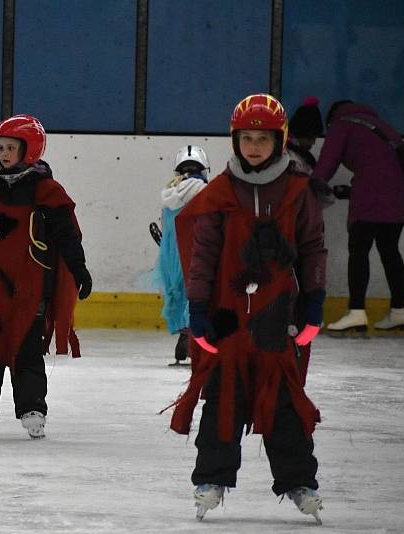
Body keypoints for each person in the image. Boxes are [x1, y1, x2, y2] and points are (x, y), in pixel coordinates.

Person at [167, 94, 327, 523]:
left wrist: (313, 302)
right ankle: (211, 479)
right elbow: (203, 254)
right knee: (223, 399)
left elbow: (312, 248)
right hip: (228, 318)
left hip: (279, 317)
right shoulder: (219, 191)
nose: (254, 146)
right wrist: (198, 307)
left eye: (263, 138)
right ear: (235, 140)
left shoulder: (297, 190)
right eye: (247, 138)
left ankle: (299, 481)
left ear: (280, 141)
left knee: (283, 404)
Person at [0, 114, 91, 439]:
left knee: (27, 350)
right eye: (1, 147)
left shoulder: (47, 191)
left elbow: (68, 235)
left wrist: (79, 269)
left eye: (11, 148)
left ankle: (33, 408)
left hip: (31, 289)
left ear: (29, 151)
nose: (4, 154)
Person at [312, 100, 404, 333]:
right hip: (401, 195)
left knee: (359, 249)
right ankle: (399, 310)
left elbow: (327, 162)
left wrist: (309, 189)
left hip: (371, 194)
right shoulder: (381, 126)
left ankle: (356, 311)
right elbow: (381, 166)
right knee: (389, 248)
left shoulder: (341, 124)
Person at [152, 145, 211, 366]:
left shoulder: (169, 192)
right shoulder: (205, 191)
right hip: (198, 251)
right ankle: (193, 340)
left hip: (172, 256)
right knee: (197, 293)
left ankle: (184, 337)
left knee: (179, 293)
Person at [287, 96, 324, 175]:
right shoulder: (291, 158)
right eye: (310, 138)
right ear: (301, 134)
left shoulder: (300, 154)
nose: (313, 142)